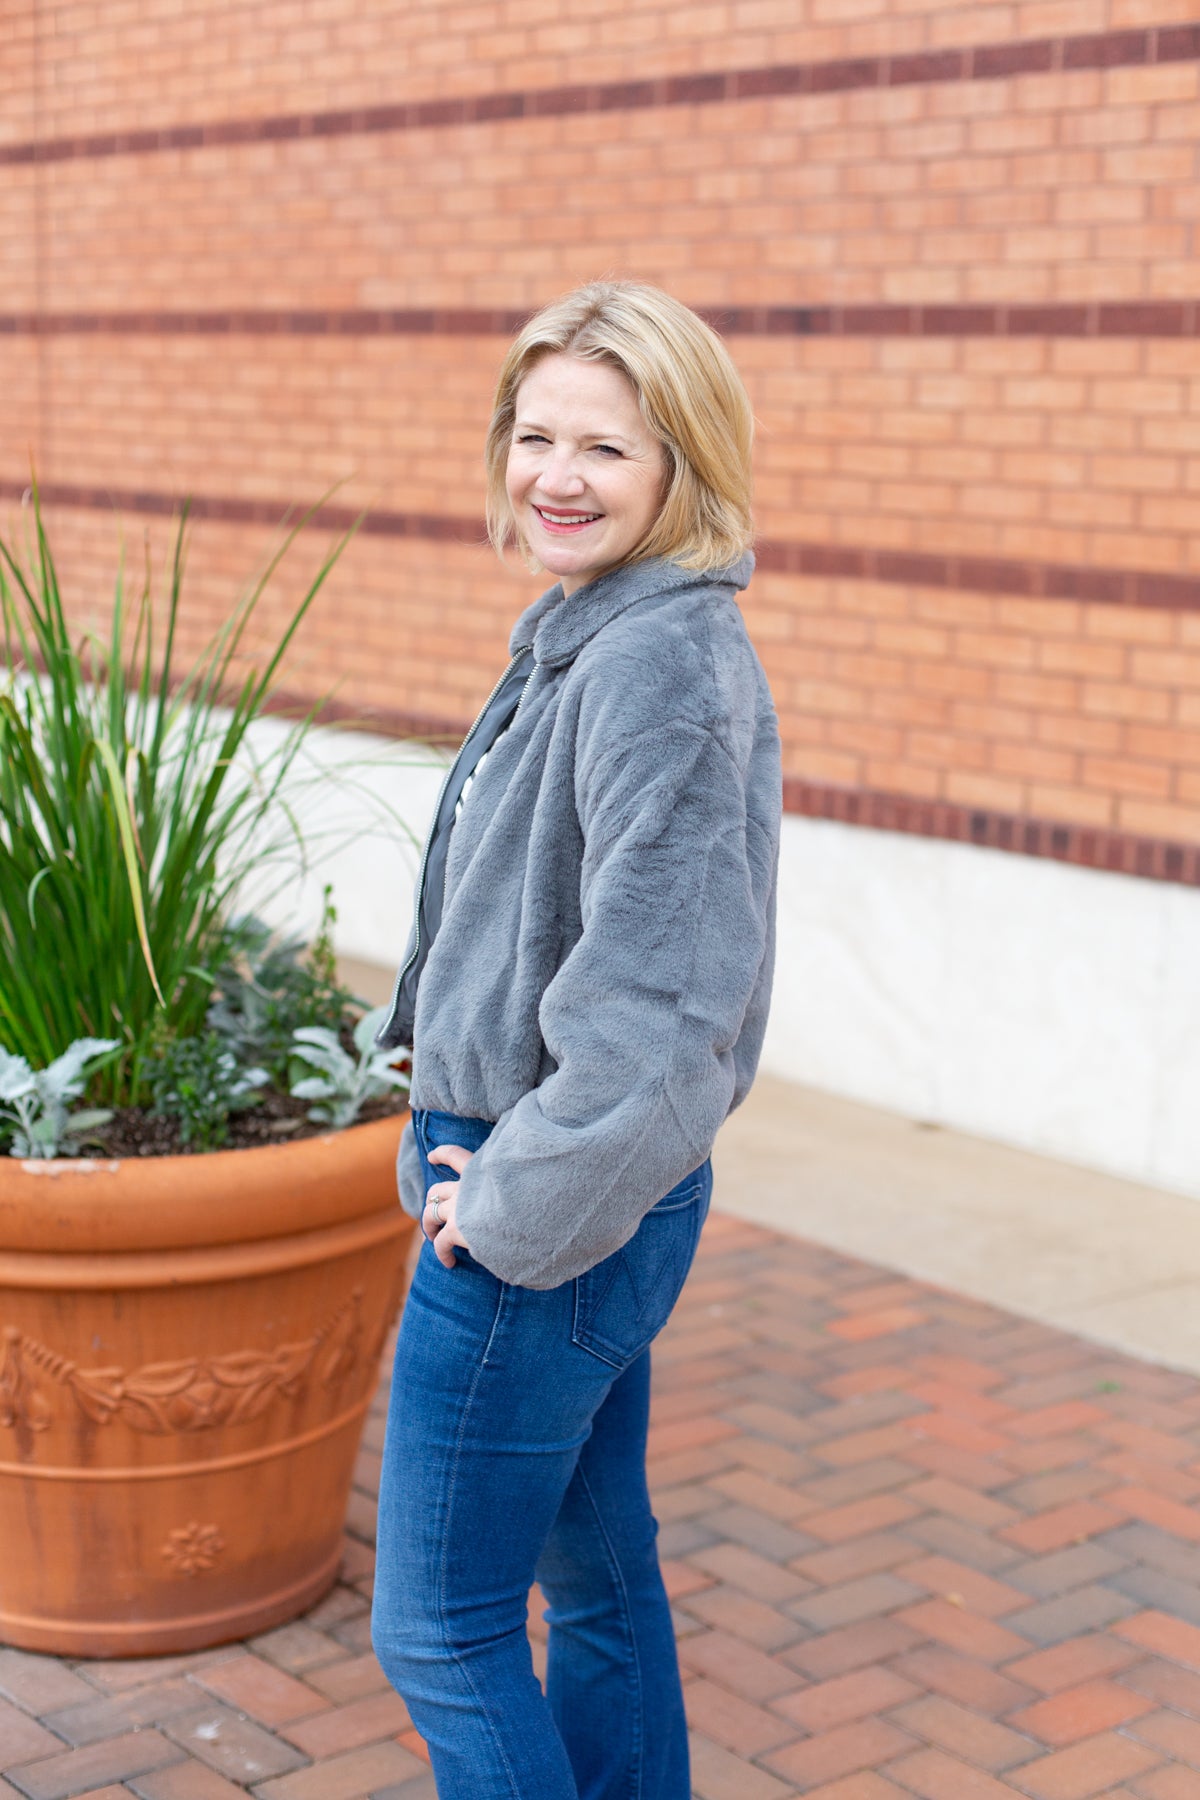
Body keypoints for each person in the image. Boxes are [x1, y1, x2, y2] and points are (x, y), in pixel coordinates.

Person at [371, 279, 781, 1800]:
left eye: (606, 446)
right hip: (559, 1185)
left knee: (441, 1631)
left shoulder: (654, 663)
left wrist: (508, 1208)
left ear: (684, 460)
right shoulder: (586, 628)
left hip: (550, 1206)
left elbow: (665, 1019)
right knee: (599, 1585)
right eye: (534, 434)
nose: (557, 474)